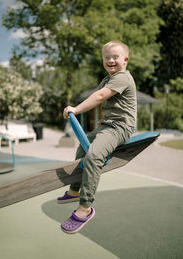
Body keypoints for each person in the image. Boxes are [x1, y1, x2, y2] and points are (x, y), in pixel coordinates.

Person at [58, 40, 137, 234]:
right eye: (107, 57)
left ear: (125, 60)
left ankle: (85, 207)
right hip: (107, 127)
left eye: (115, 57)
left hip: (120, 127)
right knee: (81, 149)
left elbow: (100, 97)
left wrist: (75, 109)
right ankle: (75, 190)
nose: (111, 60)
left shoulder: (123, 77)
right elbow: (99, 95)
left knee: (94, 156)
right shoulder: (108, 79)